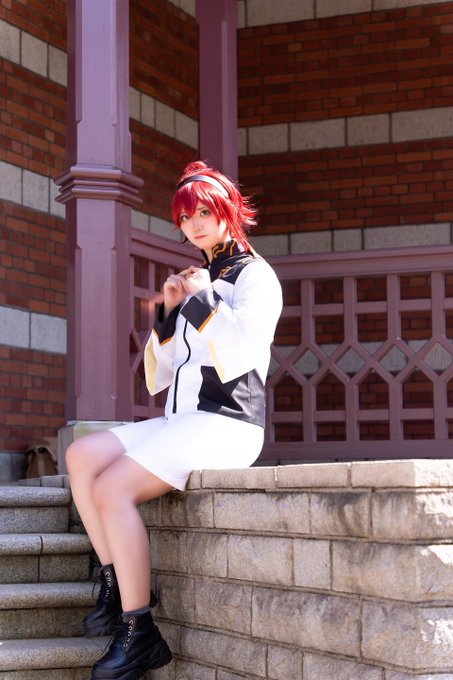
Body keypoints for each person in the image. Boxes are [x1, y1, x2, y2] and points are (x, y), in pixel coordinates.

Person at [66, 160, 283, 680]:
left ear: (228, 211)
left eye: (204, 213)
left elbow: (242, 355)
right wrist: (168, 313)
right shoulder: (200, 280)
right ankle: (116, 583)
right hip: (183, 419)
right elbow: (162, 375)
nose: (194, 225)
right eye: (186, 218)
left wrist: (202, 297)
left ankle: (139, 630)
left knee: (111, 489)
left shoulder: (256, 276)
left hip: (229, 423)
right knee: (81, 455)